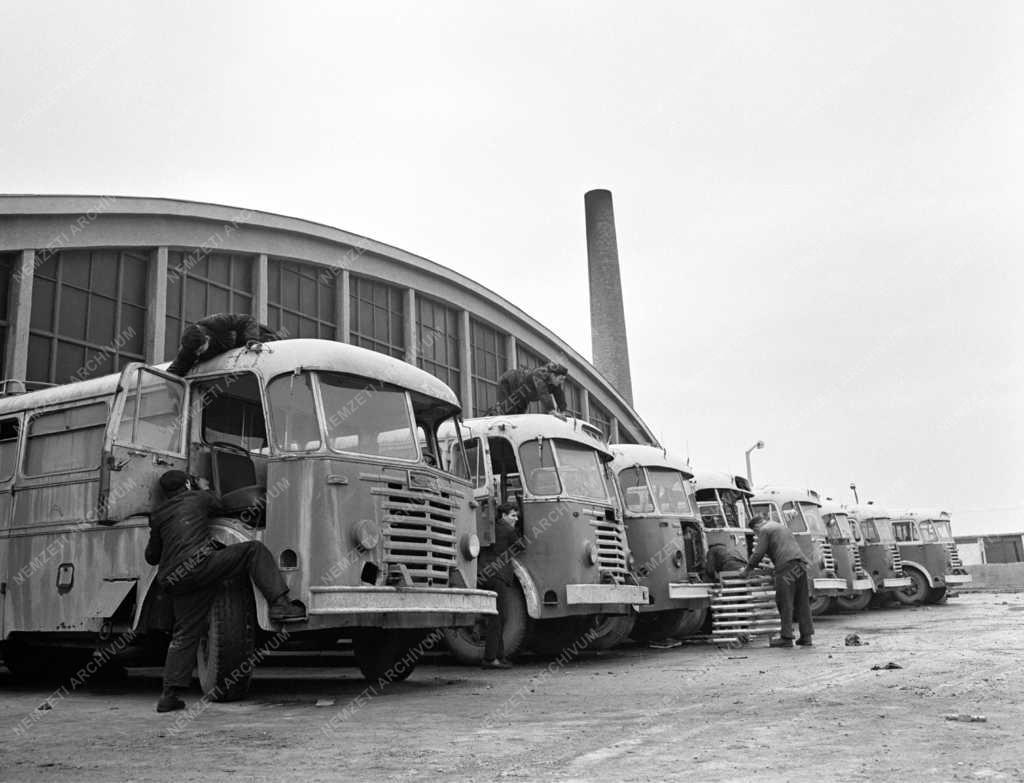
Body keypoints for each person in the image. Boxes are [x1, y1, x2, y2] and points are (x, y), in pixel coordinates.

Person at [145, 470, 305, 713]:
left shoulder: (158, 515)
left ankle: (169, 695)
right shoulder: (198, 498)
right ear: (188, 483)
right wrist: (203, 487)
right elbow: (221, 505)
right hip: (199, 565)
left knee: (185, 634)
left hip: (175, 580)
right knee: (253, 550)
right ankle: (280, 604)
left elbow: (151, 556)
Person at [739, 513, 814, 648]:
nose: (756, 534)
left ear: (756, 527)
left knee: (784, 601)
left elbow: (758, 553)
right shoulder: (780, 527)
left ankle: (786, 637)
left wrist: (747, 570)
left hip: (786, 567)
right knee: (801, 601)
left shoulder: (765, 530)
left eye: (755, 532)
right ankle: (806, 636)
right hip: (800, 565)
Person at [477, 502, 522, 669]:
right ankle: (490, 659)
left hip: (485, 574)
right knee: (498, 618)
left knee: (498, 617)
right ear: (503, 516)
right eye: (513, 515)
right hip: (498, 576)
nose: (516, 519)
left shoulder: (491, 528)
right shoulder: (508, 530)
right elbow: (521, 545)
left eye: (517, 516)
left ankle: (499, 656)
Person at [167, 312, 279, 376]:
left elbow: (247, 320)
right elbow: (172, 373)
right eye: (195, 352)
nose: (198, 355)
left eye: (200, 350)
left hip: (255, 335)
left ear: (207, 338)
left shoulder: (216, 322)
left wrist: (252, 340)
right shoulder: (189, 350)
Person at [491, 362, 569, 416]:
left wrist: (563, 411)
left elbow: (560, 396)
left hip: (523, 396)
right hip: (507, 383)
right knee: (508, 411)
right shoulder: (539, 374)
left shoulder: (555, 384)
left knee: (519, 416)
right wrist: (551, 410)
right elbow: (543, 391)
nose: (561, 382)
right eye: (561, 379)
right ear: (552, 375)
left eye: (563, 380)